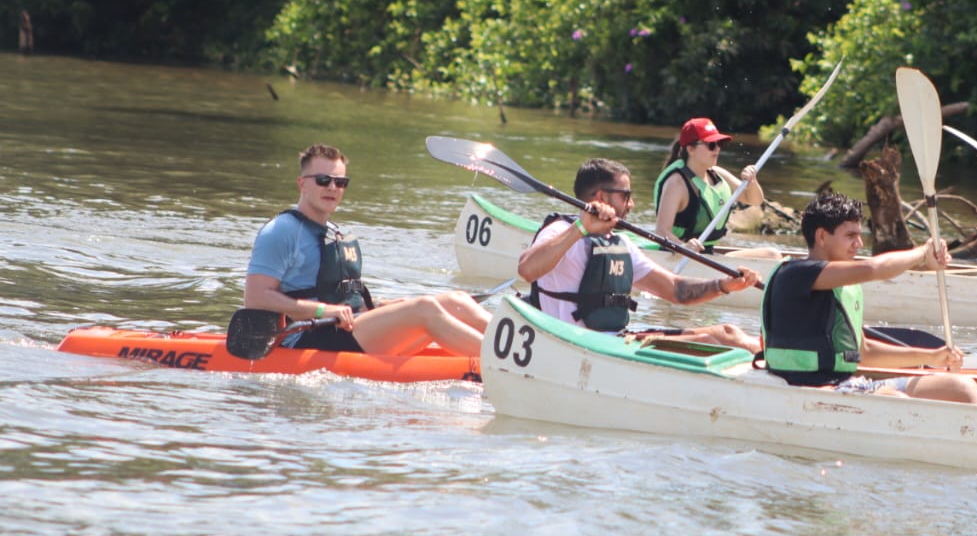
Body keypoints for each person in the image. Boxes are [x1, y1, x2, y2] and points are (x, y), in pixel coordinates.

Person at [244, 143, 489, 357]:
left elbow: (340, 296)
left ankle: (520, 347)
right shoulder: (281, 231)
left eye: (340, 182)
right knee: (425, 308)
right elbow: (256, 297)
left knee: (457, 300)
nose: (332, 188)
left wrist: (380, 307)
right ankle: (502, 365)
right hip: (307, 337)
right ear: (302, 184)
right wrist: (322, 310)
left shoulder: (333, 232)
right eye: (323, 180)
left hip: (348, 328)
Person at [760, 192, 977, 404]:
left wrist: (933, 356)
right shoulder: (795, 273)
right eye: (850, 236)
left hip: (847, 384)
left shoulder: (843, 285)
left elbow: (865, 352)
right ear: (821, 236)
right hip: (809, 387)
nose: (858, 245)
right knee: (895, 399)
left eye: (860, 236)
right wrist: (922, 253)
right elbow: (873, 269)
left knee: (960, 385)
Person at [517, 158, 763, 351]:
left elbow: (676, 290)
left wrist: (725, 285)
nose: (632, 204)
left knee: (728, 334)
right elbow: (527, 269)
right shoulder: (561, 230)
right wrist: (581, 228)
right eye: (625, 195)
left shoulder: (618, 241)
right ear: (601, 197)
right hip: (572, 345)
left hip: (615, 342)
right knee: (710, 342)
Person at [653, 117, 765, 253]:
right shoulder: (676, 184)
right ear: (690, 149)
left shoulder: (717, 174)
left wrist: (752, 182)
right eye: (711, 145)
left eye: (719, 144)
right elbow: (661, 232)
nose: (717, 149)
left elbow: (755, 200)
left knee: (772, 254)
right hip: (677, 256)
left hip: (707, 255)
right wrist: (683, 248)